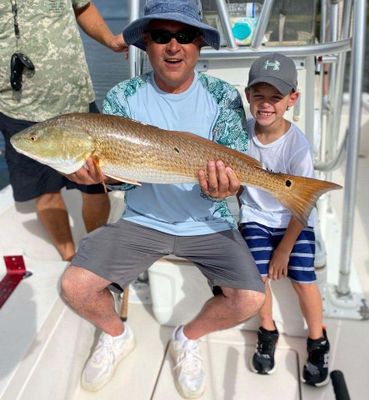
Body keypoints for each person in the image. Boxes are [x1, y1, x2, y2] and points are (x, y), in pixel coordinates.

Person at [60, 0, 265, 398]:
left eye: (184, 35)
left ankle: (187, 338)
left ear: (199, 44)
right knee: (74, 286)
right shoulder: (123, 96)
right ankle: (117, 335)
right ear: (146, 44)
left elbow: (235, 173)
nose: (173, 46)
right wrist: (94, 178)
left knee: (250, 298)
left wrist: (227, 187)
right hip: (142, 221)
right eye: (161, 36)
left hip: (210, 221)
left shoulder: (223, 96)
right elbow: (121, 185)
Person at [0, 1, 128, 261]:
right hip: (17, 107)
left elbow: (83, 7)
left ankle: (95, 256)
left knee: (95, 185)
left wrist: (110, 41)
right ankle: (70, 258)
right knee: (44, 192)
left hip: (75, 101)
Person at [239, 53, 330, 386]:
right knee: (256, 273)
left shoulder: (299, 148)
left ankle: (317, 339)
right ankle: (267, 328)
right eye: (259, 95)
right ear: (247, 95)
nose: (266, 104)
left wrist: (284, 251)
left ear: (292, 99)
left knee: (303, 277)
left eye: (275, 97)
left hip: (295, 218)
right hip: (256, 216)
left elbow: (302, 206)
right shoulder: (241, 134)